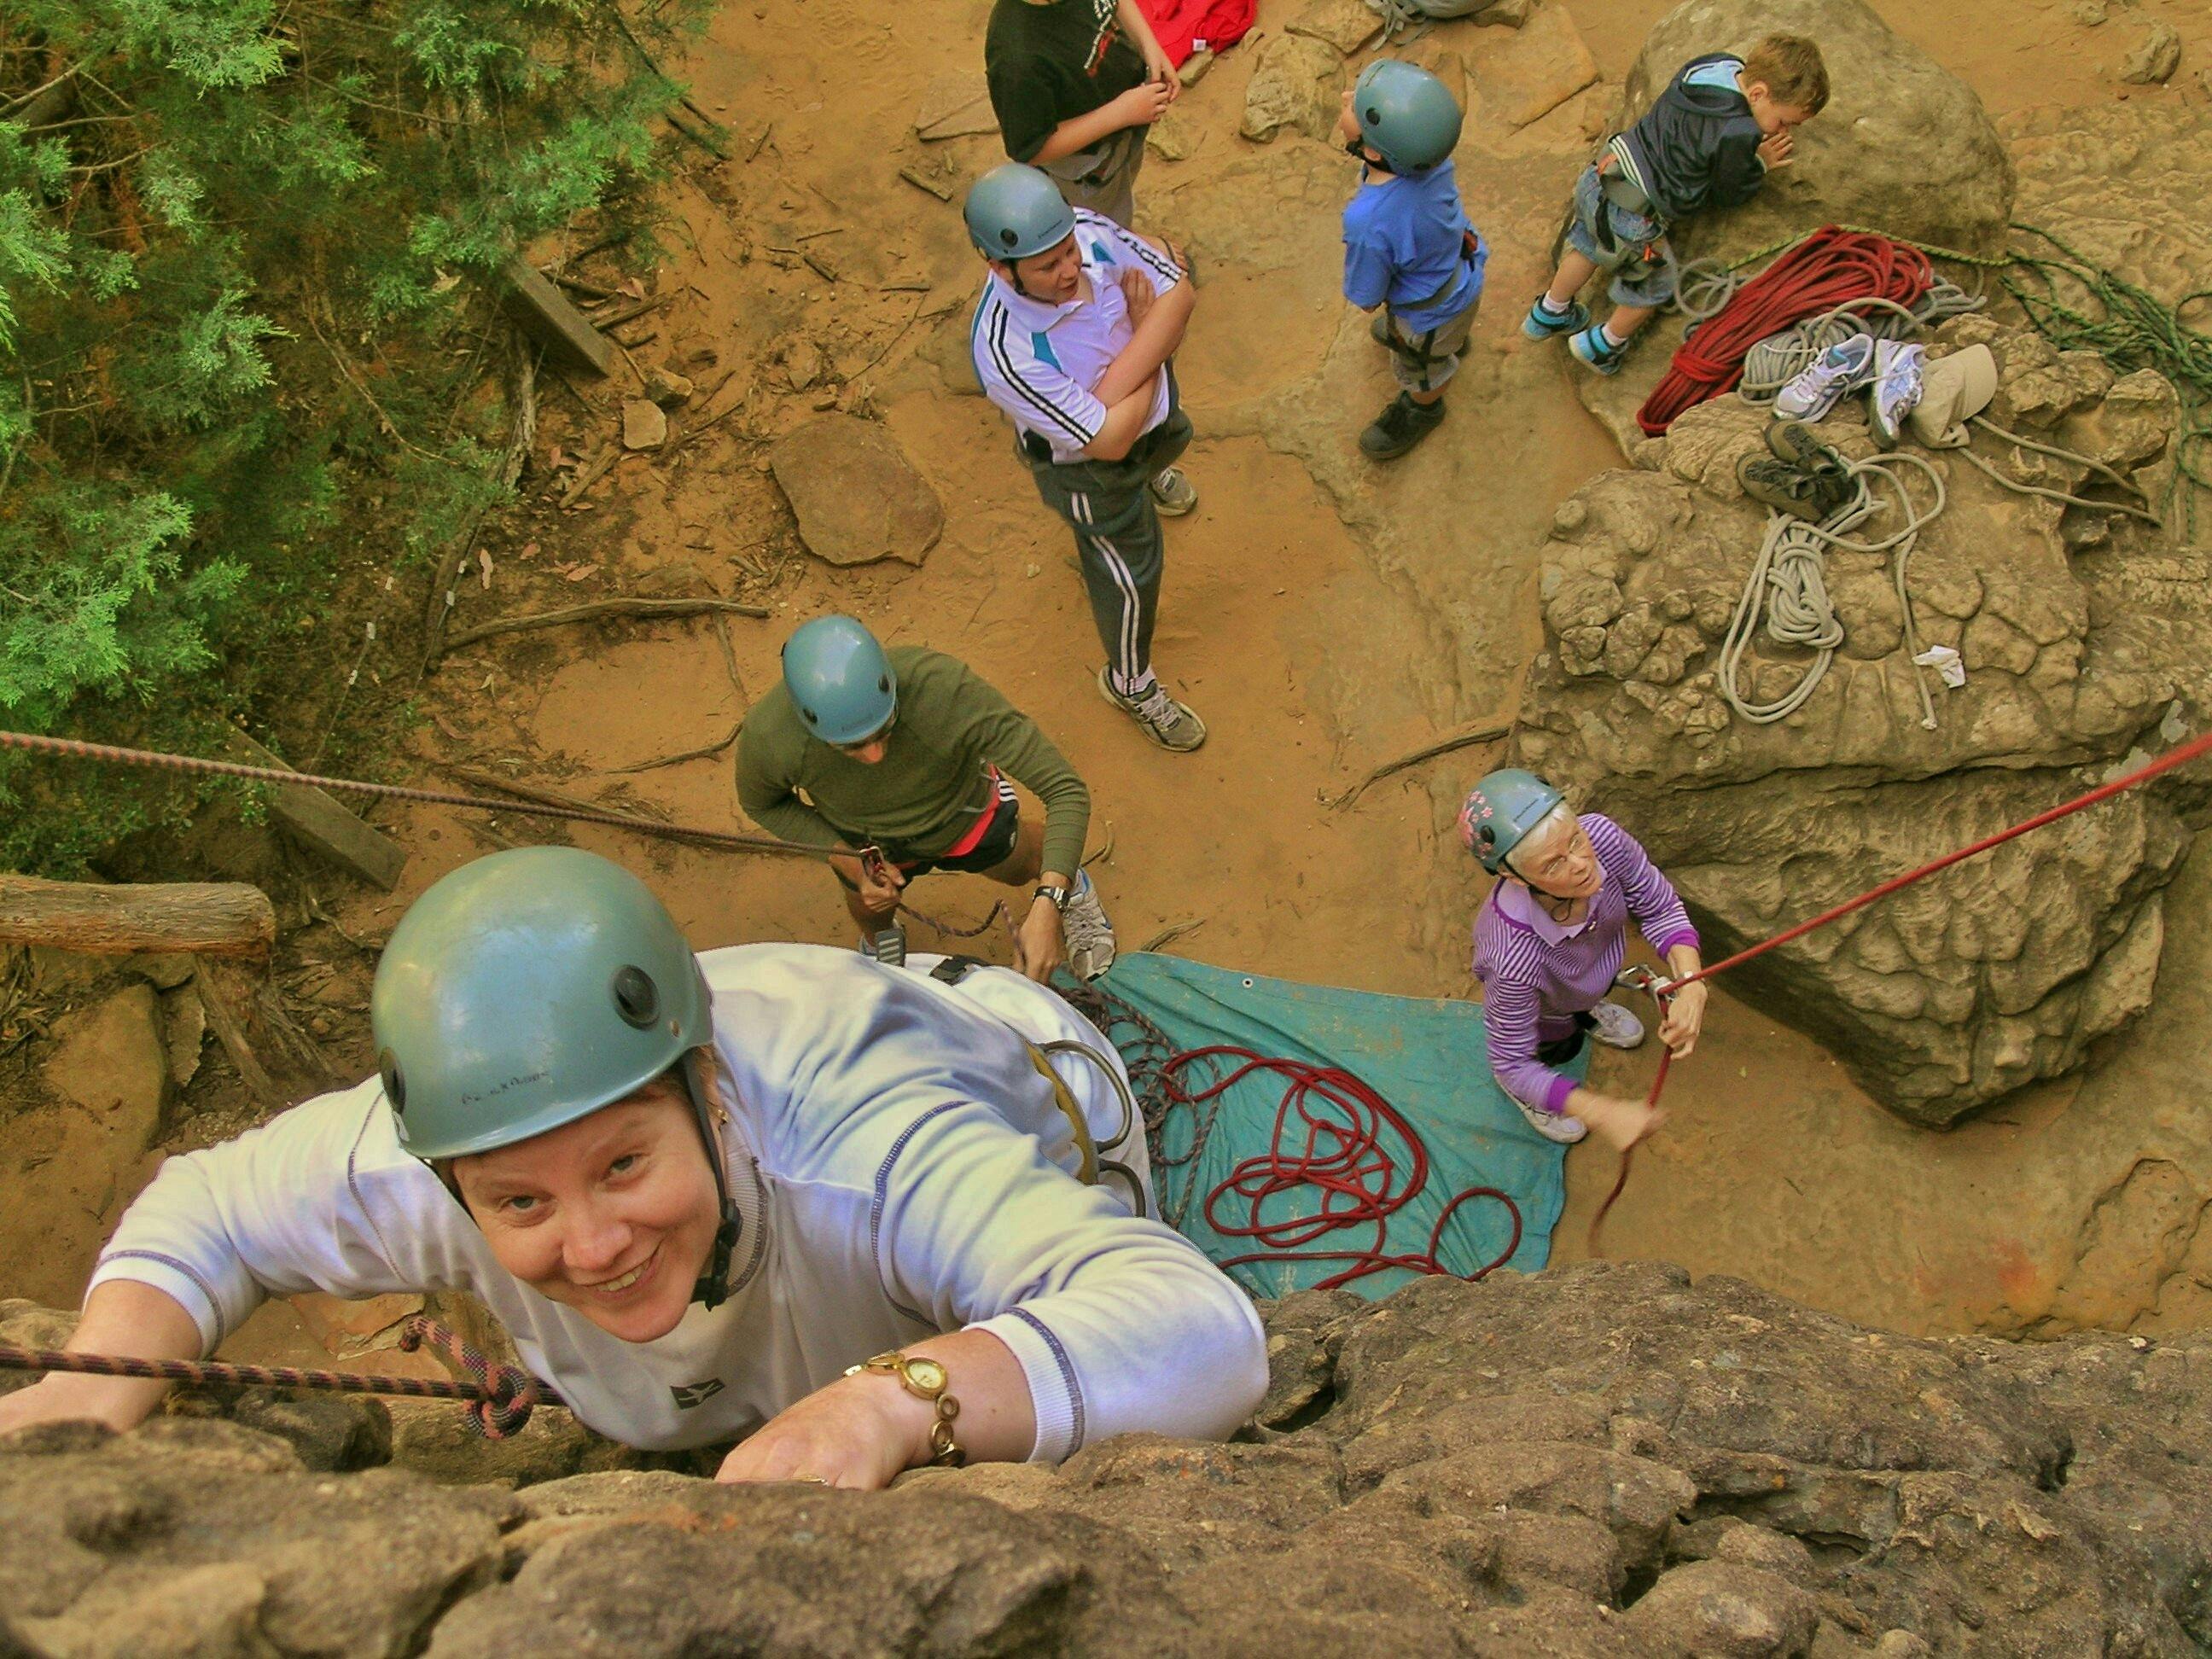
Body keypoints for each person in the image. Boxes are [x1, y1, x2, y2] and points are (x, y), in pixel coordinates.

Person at [0, 848, 1268, 1487]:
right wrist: (84, 1390)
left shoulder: (864, 1155)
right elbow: (205, 1208)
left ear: (710, 1100)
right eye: (520, 1204)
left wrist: (894, 1401)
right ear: (448, 1183)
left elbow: (1195, 1331)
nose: (591, 1242)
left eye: (622, 1165)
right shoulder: (459, 1134)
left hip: (1030, 1072)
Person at [966, 163, 1207, 753]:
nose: (1071, 269)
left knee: (1168, 437)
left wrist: (1119, 383)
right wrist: (1151, 331)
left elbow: (1183, 289)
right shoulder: (1005, 351)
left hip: (1145, 425)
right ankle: (1129, 681)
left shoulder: (1081, 226)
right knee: (1131, 576)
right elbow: (1106, 445)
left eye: (1068, 251)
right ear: (1000, 268)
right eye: (1048, 267)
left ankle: (1152, 477)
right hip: (1089, 476)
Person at [736, 614, 1116, 981]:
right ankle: (879, 939)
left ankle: (1072, 891)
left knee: (1020, 862)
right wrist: (847, 860)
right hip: (868, 846)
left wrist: (1048, 902)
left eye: (884, 729)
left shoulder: (944, 690)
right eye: (851, 746)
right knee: (868, 905)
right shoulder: (770, 738)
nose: (875, 756)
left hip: (963, 812)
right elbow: (763, 803)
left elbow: (1064, 788)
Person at [1522, 33, 1830, 375]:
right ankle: (1602, 345)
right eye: (1785, 121)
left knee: (1587, 244)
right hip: (1636, 218)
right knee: (1655, 285)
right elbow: (1729, 190)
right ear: (1757, 94)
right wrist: (1759, 163)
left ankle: (1549, 312)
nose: (1783, 129)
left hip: (1604, 174)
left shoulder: (1712, 66)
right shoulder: (1739, 132)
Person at [1461, 769, 1708, 1151]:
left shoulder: (1604, 838)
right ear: (1514, 877)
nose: (1581, 864)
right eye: (1553, 865)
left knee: (1591, 989)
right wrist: (1602, 1112)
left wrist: (1691, 982)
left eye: (1576, 840)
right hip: (1548, 1008)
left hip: (1595, 972)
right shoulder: (1510, 957)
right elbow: (1513, 1062)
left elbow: (1659, 907)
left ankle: (1590, 1007)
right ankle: (1534, 1093)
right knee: (1556, 1045)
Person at [1336, 60, 1488, 461]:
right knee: (1441, 338)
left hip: (1428, 312)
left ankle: (1424, 407)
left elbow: (1367, 296)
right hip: (1458, 268)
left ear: (1371, 151)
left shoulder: (1368, 221)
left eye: (1354, 107)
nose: (1345, 98)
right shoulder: (1432, 158)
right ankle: (1450, 342)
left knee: (1421, 368)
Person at [984, 0, 1179, 229]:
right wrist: (1121, 113)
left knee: (1124, 181)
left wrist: (1149, 46)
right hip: (1090, 162)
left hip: (1126, 123)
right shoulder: (1016, 59)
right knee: (1102, 229)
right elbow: (1032, 148)